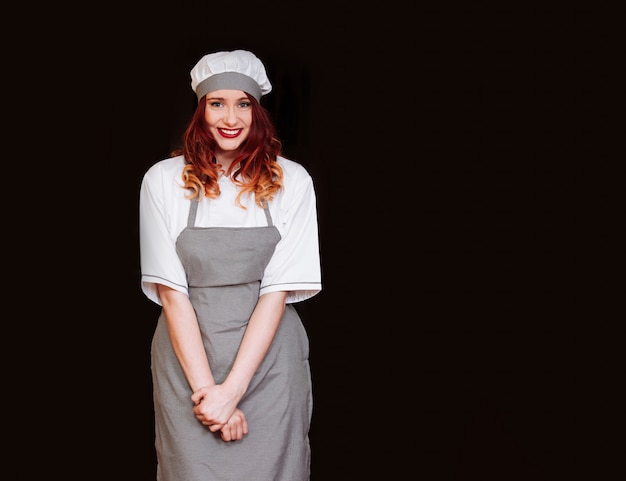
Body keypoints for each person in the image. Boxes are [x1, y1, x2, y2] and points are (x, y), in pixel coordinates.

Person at [139, 49, 322, 481]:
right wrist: (209, 394)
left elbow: (276, 292)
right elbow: (171, 292)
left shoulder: (292, 180)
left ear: (257, 111)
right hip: (187, 358)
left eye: (243, 103)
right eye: (216, 103)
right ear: (200, 110)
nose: (230, 117)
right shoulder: (162, 180)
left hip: (271, 360)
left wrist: (232, 390)